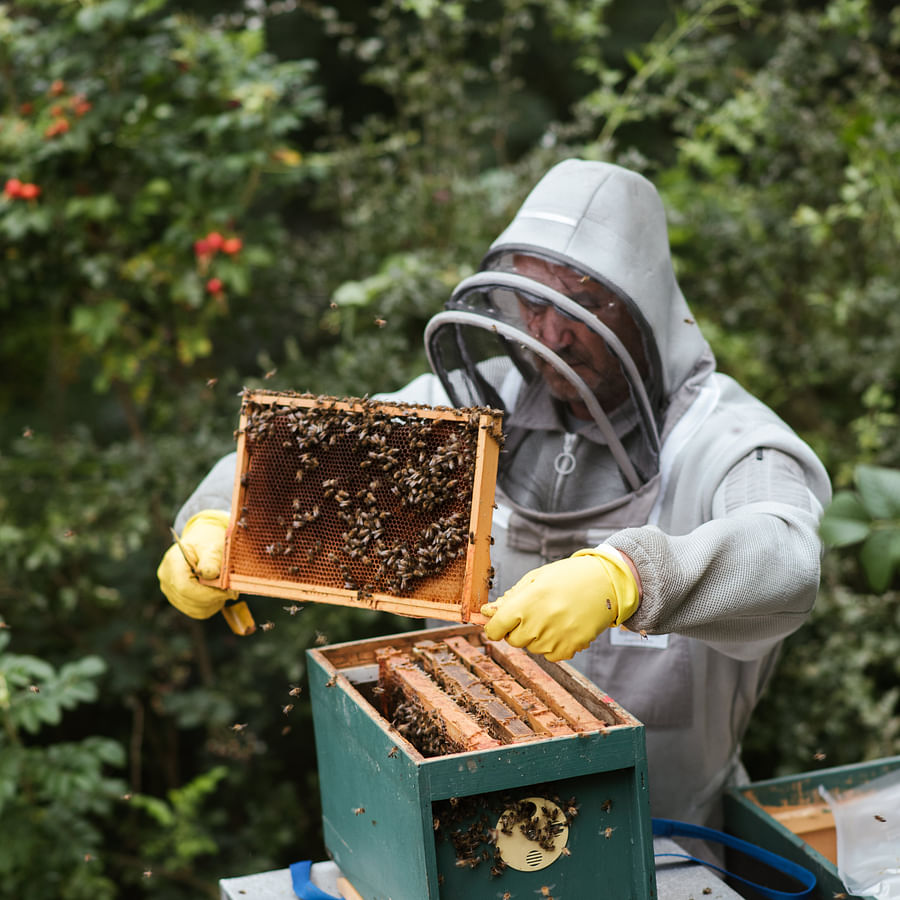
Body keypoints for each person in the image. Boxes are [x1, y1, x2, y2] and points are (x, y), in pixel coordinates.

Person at [158, 159, 831, 830]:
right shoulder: (467, 408)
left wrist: (628, 577)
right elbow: (300, 460)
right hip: (470, 826)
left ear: (645, 311)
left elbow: (787, 556)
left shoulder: (729, 439)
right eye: (535, 303)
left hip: (669, 843)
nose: (552, 333)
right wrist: (220, 519)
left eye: (587, 305)